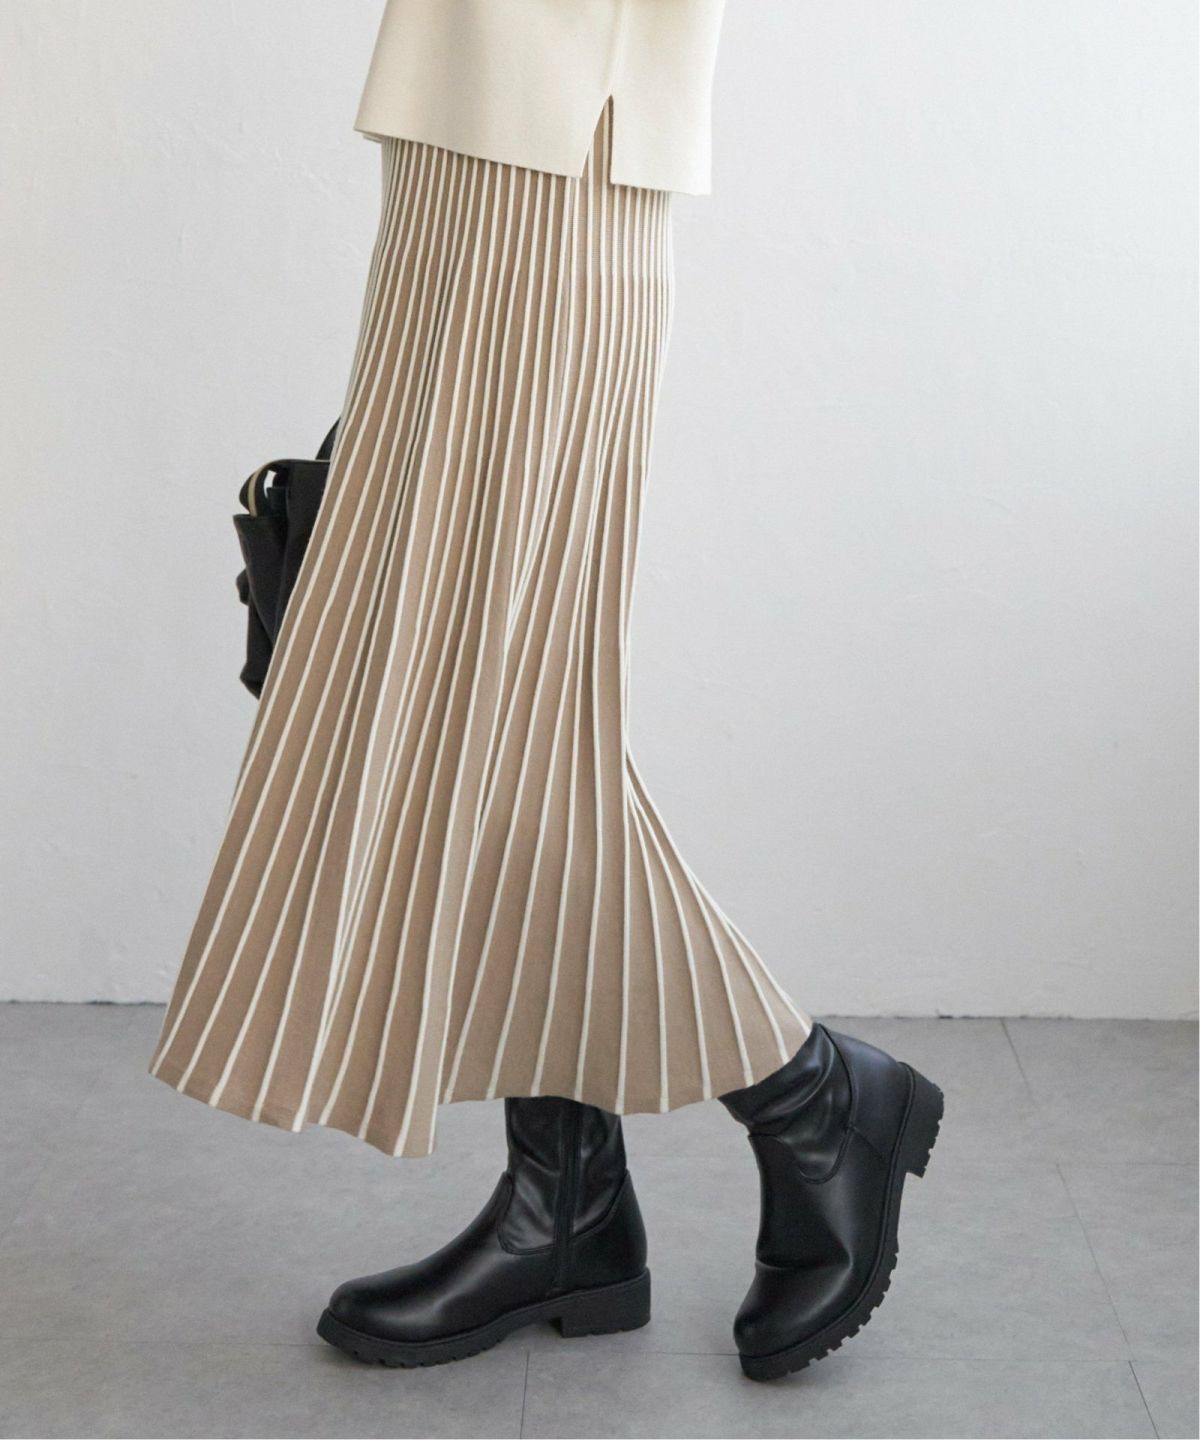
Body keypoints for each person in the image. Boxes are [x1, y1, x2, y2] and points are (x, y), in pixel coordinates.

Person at [148, 0, 943, 1383]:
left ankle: (805, 1091)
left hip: (551, 141)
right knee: (510, 724)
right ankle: (572, 1202)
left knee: (480, 719)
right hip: (482, 126)